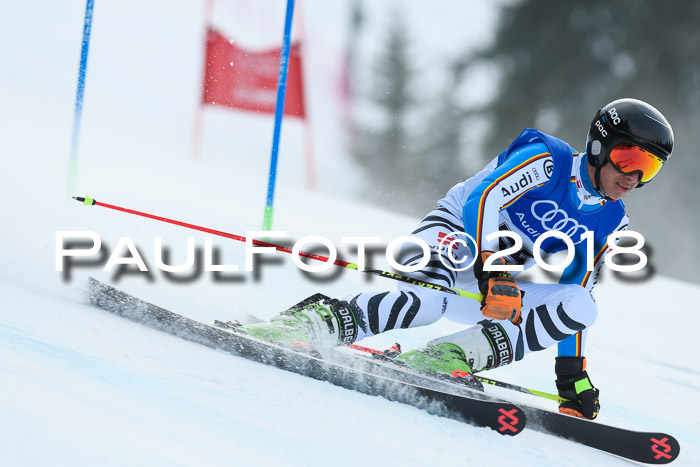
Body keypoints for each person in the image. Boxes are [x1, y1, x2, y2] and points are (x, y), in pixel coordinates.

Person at [243, 98, 674, 420]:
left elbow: (574, 289)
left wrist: (570, 372)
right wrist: (492, 266)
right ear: (599, 146)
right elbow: (482, 200)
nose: (633, 177)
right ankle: (308, 325)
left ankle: (449, 355)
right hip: (453, 237)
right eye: (627, 157)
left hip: (491, 284)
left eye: (648, 168)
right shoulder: (548, 160)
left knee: (584, 306)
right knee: (425, 304)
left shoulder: (611, 221)